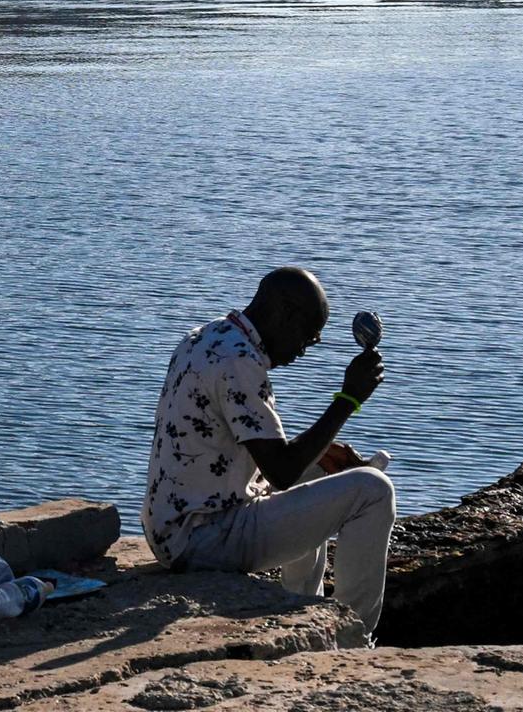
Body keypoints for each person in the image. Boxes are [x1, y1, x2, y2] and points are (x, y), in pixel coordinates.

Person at [141, 266, 395, 637]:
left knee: (322, 470)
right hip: (205, 538)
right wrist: (348, 399)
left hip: (173, 527)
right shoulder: (239, 363)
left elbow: (243, 444)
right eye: (306, 338)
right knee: (373, 491)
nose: (302, 352)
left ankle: (300, 607)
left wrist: (318, 451)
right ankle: (352, 635)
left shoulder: (210, 336)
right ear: (284, 314)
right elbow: (282, 473)